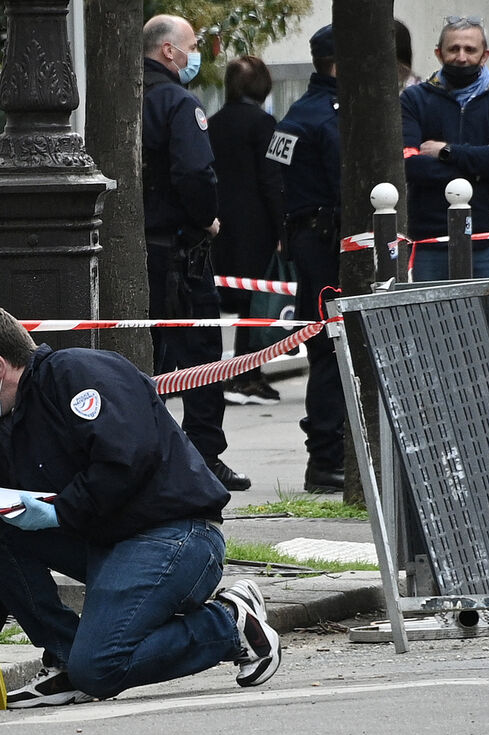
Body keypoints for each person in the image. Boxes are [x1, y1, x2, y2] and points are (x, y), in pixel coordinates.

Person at [0, 303, 280, 707]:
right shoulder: (15, 426)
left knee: (99, 667)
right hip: (112, 542)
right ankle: (66, 658)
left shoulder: (79, 374)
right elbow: (8, 559)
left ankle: (229, 623)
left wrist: (61, 511)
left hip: (174, 533)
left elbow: (125, 458)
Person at [141, 14, 250, 491]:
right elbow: (195, 172)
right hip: (180, 253)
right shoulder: (178, 102)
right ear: (169, 51)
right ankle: (204, 456)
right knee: (202, 356)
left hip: (138, 249)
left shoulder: (123, 101)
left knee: (149, 357)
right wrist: (208, 218)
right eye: (191, 46)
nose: (196, 55)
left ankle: (150, 455)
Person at [266, 24, 345, 494]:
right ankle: (329, 457)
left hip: (307, 243)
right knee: (335, 351)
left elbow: (276, 182)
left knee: (326, 351)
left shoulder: (296, 114)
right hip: (329, 246)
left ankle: (327, 454)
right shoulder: (332, 118)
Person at [400, 16, 489, 280]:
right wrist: (482, 166)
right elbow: (411, 164)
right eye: (453, 49)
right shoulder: (414, 99)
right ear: (438, 53)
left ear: (484, 55)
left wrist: (448, 152)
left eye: (470, 50)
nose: (461, 57)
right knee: (433, 321)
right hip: (431, 239)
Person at [207, 55, 284, 407]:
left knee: (234, 298)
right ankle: (248, 372)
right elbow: (272, 179)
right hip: (257, 225)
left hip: (222, 223)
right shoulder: (264, 124)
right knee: (256, 299)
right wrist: (282, 224)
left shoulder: (214, 123)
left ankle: (233, 372)